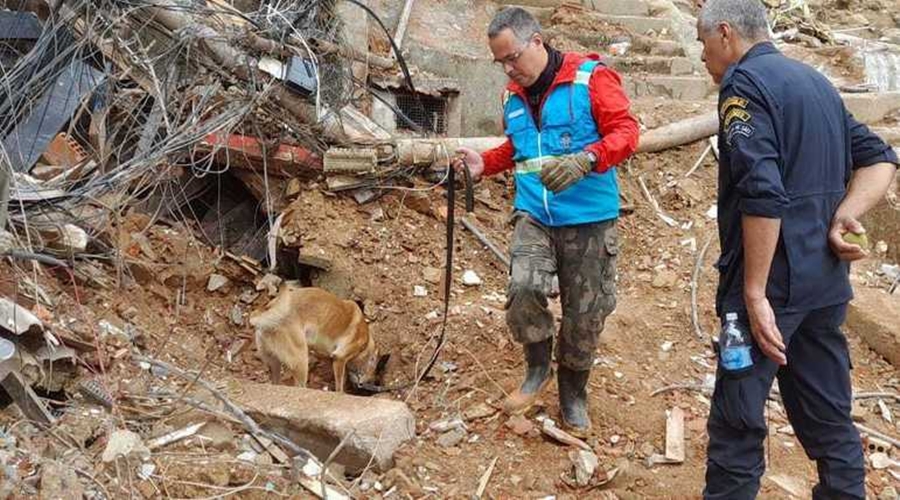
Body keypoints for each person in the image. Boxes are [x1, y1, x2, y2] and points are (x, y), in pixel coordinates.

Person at [695, 0, 899, 498]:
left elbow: (762, 192)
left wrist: (754, 292)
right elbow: (880, 159)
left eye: (703, 45)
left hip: (773, 287)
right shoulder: (815, 82)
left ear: (725, 33)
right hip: (823, 286)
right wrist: (845, 214)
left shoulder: (743, 86)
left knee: (737, 424)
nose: (703, 59)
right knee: (828, 416)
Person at [454, 7, 639, 437]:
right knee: (523, 287)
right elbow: (519, 151)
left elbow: (627, 132)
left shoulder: (590, 79)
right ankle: (538, 367)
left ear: (537, 41)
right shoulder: (512, 96)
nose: (508, 68)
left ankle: (573, 391)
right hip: (534, 214)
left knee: (585, 314)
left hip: (590, 219)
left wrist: (589, 158)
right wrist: (485, 162)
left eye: (512, 57)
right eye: (500, 61)